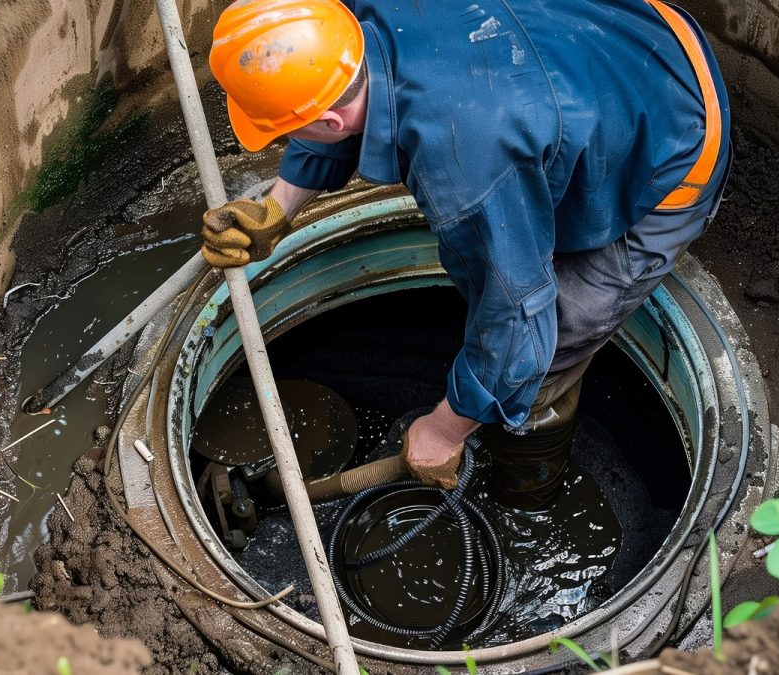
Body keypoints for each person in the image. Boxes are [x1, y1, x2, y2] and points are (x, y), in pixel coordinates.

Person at [202, 0, 732, 508]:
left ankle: (527, 494)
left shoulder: (467, 171)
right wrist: (278, 206)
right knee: (515, 270)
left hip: (678, 129)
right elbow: (341, 97)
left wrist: (444, 429)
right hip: (623, 35)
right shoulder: (349, 26)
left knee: (557, 336)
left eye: (284, 129)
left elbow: (519, 318)